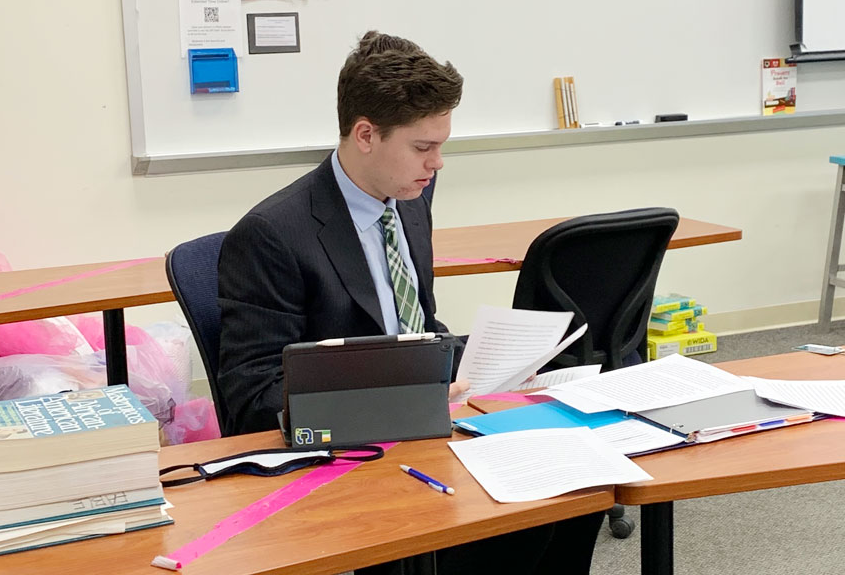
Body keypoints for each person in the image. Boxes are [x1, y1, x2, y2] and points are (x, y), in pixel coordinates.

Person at [217, 30, 603, 575]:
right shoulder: (271, 235)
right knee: (509, 523)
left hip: (430, 421)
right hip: (349, 452)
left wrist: (487, 359)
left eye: (442, 145)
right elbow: (249, 396)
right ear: (366, 135)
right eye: (423, 147)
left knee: (577, 488)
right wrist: (397, 390)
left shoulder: (409, 196)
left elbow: (414, 321)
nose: (438, 163)